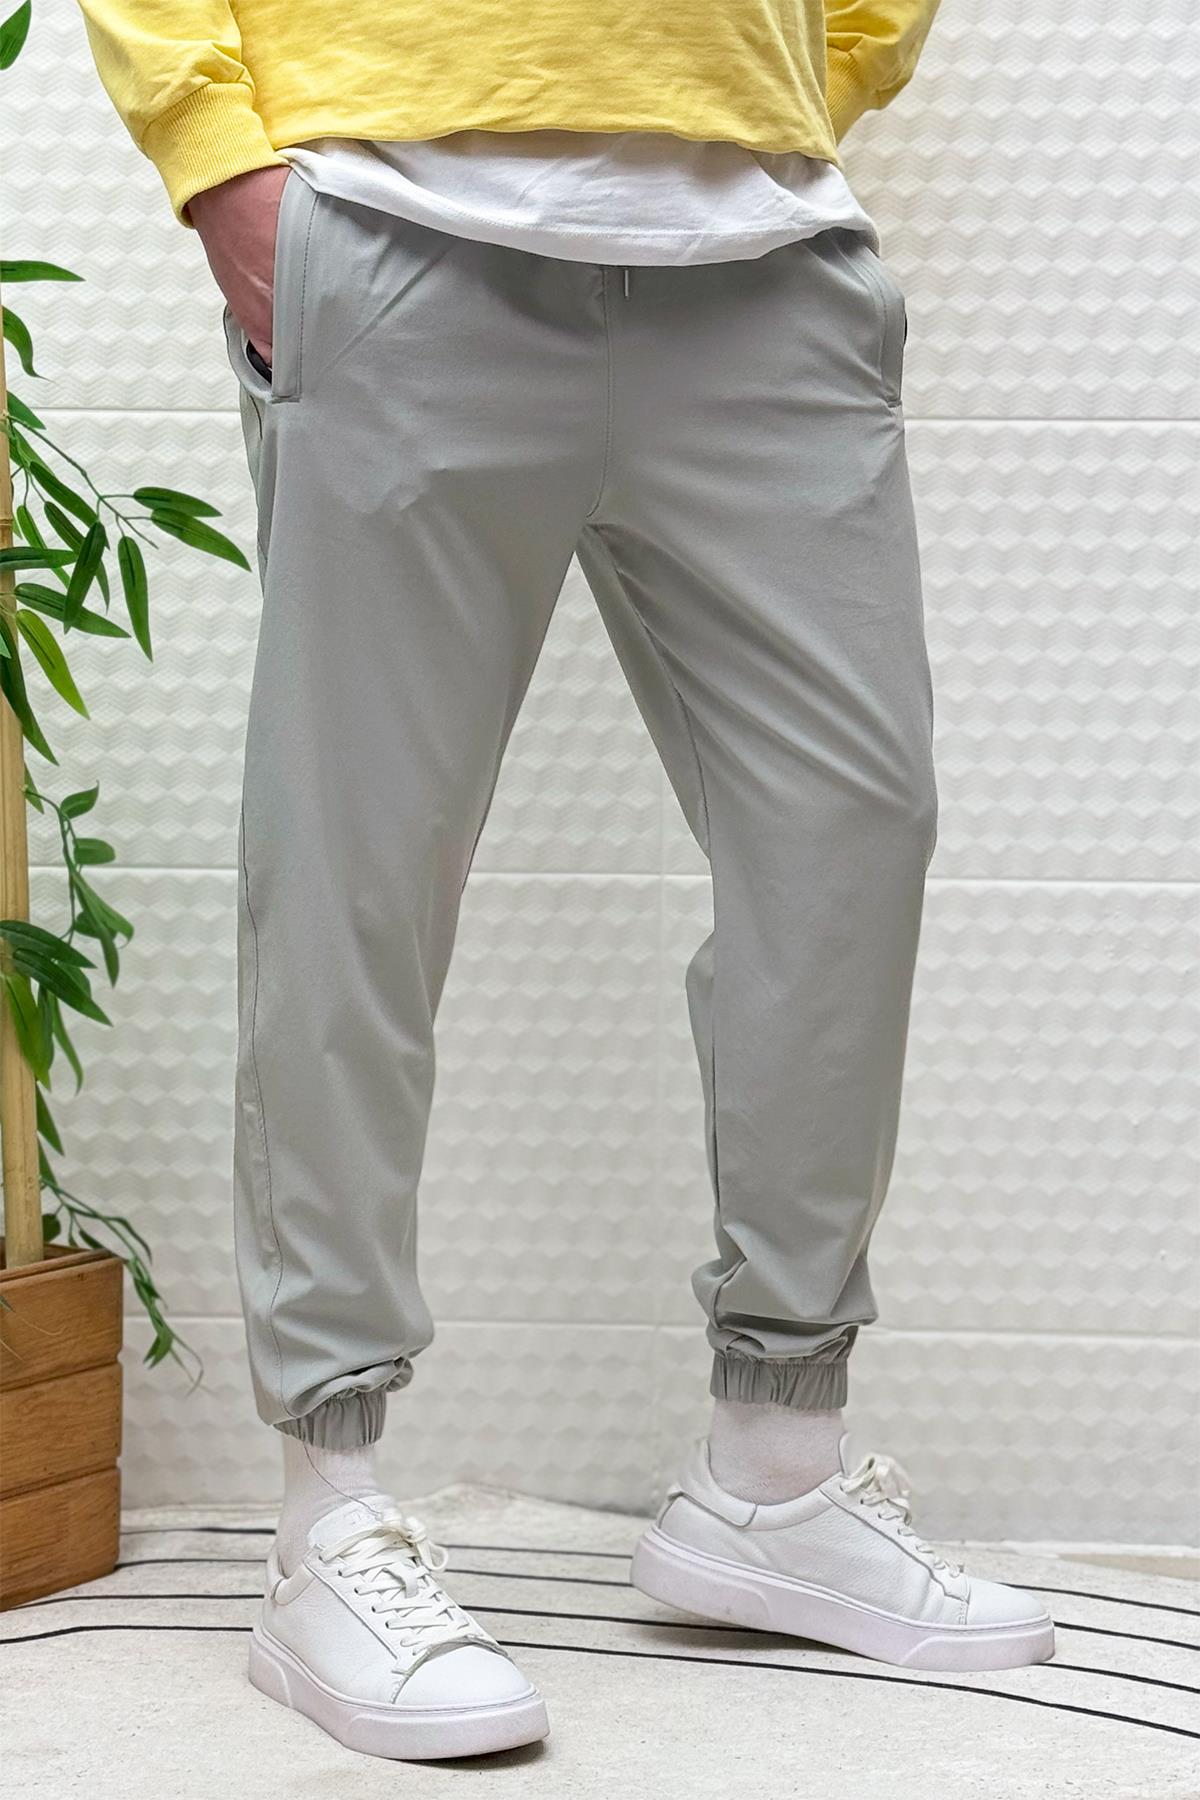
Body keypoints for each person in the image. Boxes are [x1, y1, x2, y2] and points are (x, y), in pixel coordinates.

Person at [76, 0, 1055, 1760]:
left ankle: (773, 1474)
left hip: (765, 255)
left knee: (853, 841)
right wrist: (222, 160)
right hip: (395, 227)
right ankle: (328, 1514)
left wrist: (806, 77)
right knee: (360, 875)